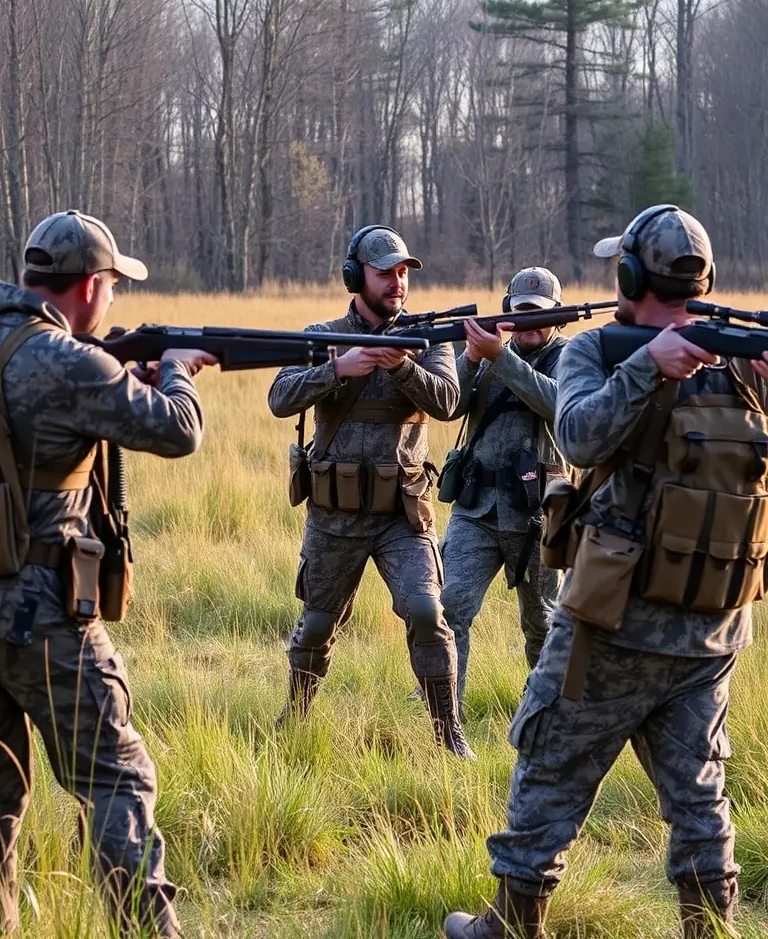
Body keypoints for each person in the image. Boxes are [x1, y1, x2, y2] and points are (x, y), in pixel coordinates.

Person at [444, 204, 768, 938]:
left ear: (625, 273)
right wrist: (650, 365)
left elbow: (579, 437)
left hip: (617, 622)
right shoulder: (622, 351)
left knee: (551, 758)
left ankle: (509, 925)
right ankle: (709, 927)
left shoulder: (717, 356)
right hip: (711, 624)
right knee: (700, 790)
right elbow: (582, 435)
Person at [0, 210, 216, 937]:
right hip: (41, 615)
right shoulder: (68, 363)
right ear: (90, 287)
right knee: (116, 778)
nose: (114, 300)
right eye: (113, 287)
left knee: (0, 795)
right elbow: (177, 431)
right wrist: (179, 375)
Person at [268, 225, 474, 759]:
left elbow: (450, 401)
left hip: (400, 514)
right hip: (334, 515)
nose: (397, 282)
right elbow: (279, 396)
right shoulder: (323, 334)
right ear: (356, 277)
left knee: (428, 612)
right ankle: (295, 718)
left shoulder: (432, 337)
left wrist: (402, 367)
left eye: (404, 272)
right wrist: (338, 369)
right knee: (316, 625)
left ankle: (448, 733)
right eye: (386, 273)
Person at [437, 268, 568, 712]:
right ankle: (444, 718)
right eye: (521, 314)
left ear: (558, 317)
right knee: (449, 608)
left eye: (538, 315)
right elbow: (449, 403)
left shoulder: (571, 358)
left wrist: (501, 357)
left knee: (543, 625)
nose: (528, 323)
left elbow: (558, 404)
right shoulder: (487, 354)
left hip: (540, 515)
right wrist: (473, 357)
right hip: (476, 508)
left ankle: (545, 719)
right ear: (507, 311)